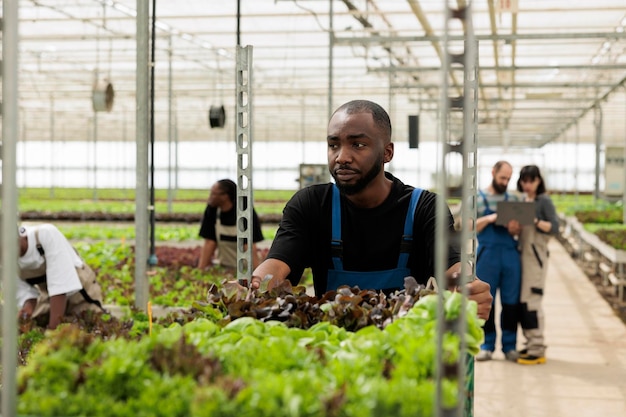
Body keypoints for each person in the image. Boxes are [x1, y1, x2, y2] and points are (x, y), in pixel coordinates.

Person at [249, 99, 493, 321]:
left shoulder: (424, 207)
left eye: (358, 144)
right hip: (334, 346)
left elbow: (451, 265)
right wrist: (258, 284)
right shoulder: (311, 205)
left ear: (387, 152)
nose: (342, 157)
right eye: (334, 145)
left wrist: (468, 287)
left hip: (403, 347)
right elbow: (278, 263)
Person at [474, 160, 522, 362]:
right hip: (488, 255)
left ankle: (509, 346)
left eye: (509, 179)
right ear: (493, 172)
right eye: (503, 177)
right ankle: (487, 345)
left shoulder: (513, 199)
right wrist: (490, 218)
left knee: (511, 303)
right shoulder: (477, 198)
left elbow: (518, 230)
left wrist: (514, 227)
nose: (505, 182)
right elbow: (467, 226)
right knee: (487, 300)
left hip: (510, 254)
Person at [16, 223, 106, 330]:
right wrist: (28, 309)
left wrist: (53, 332)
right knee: (38, 323)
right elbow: (23, 290)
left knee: (88, 325)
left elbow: (60, 287)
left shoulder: (45, 235)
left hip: (81, 292)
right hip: (48, 296)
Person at [515, 165, 559, 365]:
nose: (527, 184)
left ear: (538, 181)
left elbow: (554, 227)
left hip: (536, 256)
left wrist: (534, 220)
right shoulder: (522, 200)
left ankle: (537, 348)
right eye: (524, 180)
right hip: (522, 254)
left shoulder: (544, 201)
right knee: (523, 302)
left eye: (531, 180)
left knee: (532, 301)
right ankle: (530, 343)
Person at [198, 179, 265, 271]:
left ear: (225, 196)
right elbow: (210, 241)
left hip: (245, 268)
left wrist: (255, 273)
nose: (210, 197)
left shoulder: (244, 209)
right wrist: (200, 270)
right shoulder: (212, 209)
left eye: (214, 194)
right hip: (223, 265)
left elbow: (249, 246)